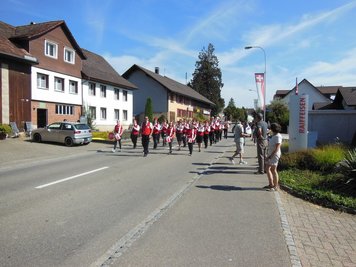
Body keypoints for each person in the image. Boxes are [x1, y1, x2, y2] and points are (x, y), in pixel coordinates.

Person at [264, 123, 283, 191]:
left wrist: (270, 156)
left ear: (273, 129)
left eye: (270, 128)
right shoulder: (274, 135)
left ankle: (275, 186)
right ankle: (271, 184)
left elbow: (277, 148)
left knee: (273, 170)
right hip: (271, 154)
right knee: (268, 168)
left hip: (274, 155)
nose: (269, 129)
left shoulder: (278, 136)